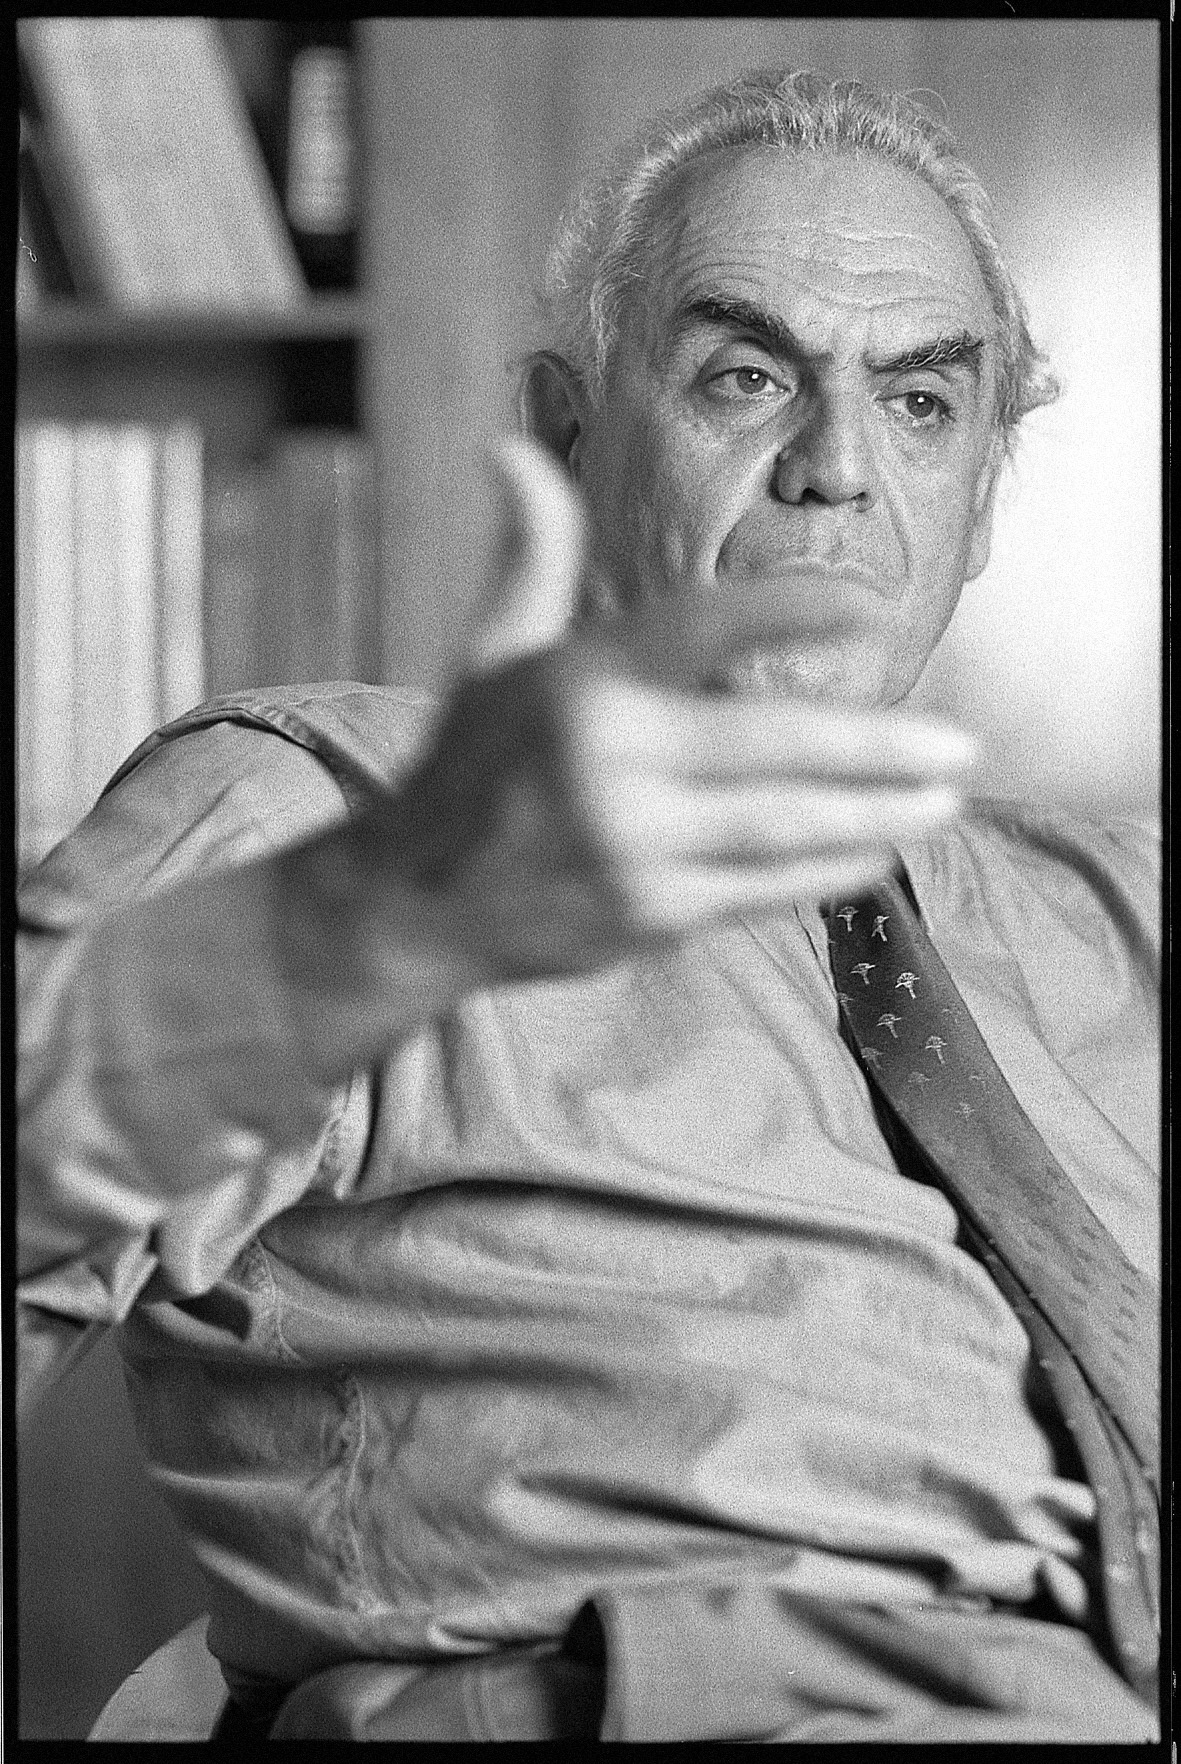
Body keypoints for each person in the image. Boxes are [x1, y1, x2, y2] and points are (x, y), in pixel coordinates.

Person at [17, 69, 1159, 1742]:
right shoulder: (342, 824)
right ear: (568, 438)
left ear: (981, 493)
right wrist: (341, 934)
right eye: (744, 378)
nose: (836, 466)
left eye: (921, 402)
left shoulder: (1121, 903)